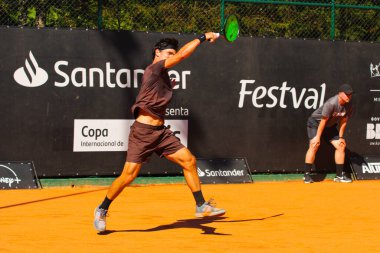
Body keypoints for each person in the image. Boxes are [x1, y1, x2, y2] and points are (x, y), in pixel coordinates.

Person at [94, 32, 225, 232]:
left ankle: (201, 204)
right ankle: (102, 208)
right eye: (168, 53)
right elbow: (181, 56)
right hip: (143, 132)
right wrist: (203, 37)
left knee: (188, 160)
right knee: (128, 176)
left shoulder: (163, 76)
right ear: (157, 53)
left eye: (172, 52)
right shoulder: (154, 69)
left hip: (161, 132)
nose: (172, 56)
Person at [303, 84, 354, 183]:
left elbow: (343, 122)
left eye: (350, 94)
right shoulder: (331, 103)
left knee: (341, 146)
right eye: (347, 94)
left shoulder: (349, 105)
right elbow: (323, 121)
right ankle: (306, 176)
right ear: (340, 94)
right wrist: (318, 137)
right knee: (314, 145)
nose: (349, 96)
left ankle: (339, 176)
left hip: (329, 126)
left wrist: (341, 137)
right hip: (315, 123)